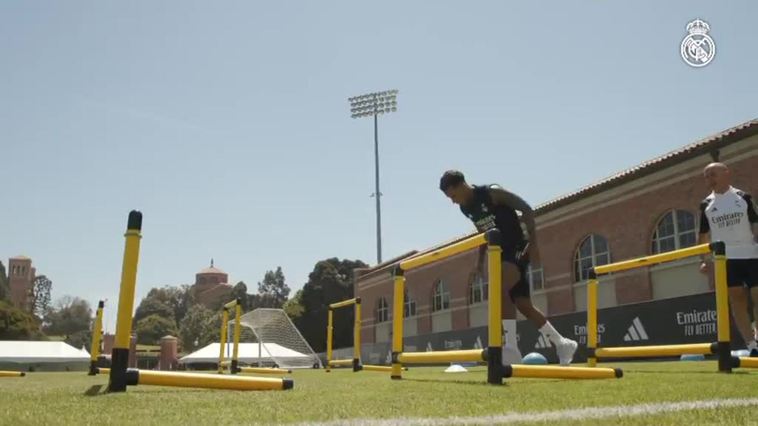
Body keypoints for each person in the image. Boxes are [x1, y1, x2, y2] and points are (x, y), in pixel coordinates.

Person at [439, 170, 578, 365]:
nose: (453, 201)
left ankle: (511, 347)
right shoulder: (465, 208)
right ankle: (562, 343)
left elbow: (527, 209)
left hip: (519, 248)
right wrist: (479, 261)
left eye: (452, 196)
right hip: (500, 254)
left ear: (461, 184)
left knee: (501, 289)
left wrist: (534, 244)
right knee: (523, 305)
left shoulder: (492, 193)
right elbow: (483, 232)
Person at [698, 162, 758, 356]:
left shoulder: (743, 197)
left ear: (726, 173)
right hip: (726, 260)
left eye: (712, 174)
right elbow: (703, 235)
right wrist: (704, 259)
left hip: (751, 254)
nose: (709, 180)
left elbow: (755, 223)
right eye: (706, 176)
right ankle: (752, 345)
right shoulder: (706, 204)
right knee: (737, 300)